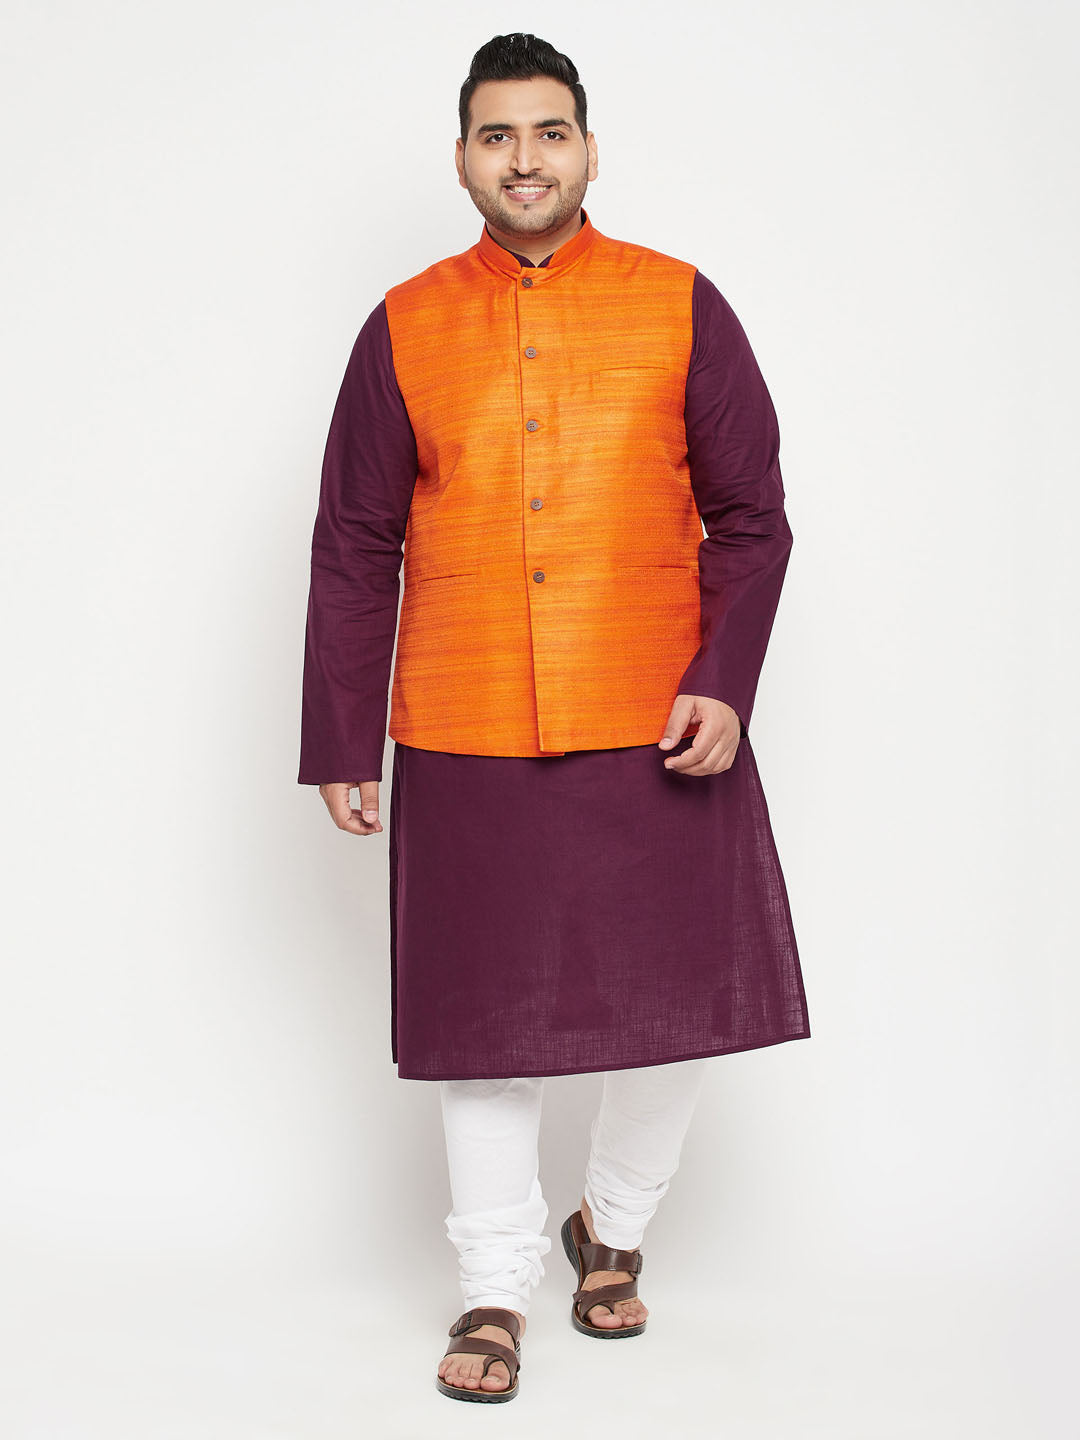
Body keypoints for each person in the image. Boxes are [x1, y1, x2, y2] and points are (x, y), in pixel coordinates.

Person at [297, 32, 811, 1405]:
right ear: (463, 157)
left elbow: (753, 519)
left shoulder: (682, 304)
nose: (524, 159)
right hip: (462, 717)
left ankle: (614, 1228)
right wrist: (344, 734)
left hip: (658, 715)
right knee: (483, 1020)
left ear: (589, 148)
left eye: (549, 132)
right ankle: (492, 1285)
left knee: (679, 1008)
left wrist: (724, 678)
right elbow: (355, 540)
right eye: (497, 135)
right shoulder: (403, 325)